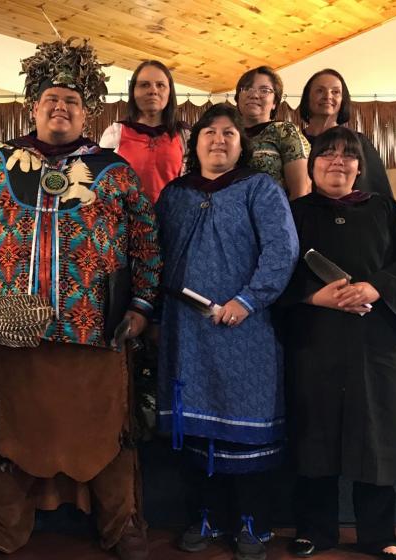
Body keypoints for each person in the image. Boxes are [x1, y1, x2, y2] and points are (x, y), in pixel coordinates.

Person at [0, 38, 161, 560]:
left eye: (71, 100)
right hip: (15, 325)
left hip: (96, 325)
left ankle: (121, 527)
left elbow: (146, 241)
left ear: (87, 112)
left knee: (108, 432)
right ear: (33, 107)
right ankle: (4, 531)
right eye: (49, 100)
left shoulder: (113, 170)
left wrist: (140, 306)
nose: (59, 108)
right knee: (13, 434)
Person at [155, 104, 299, 560]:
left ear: (243, 145)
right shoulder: (175, 194)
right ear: (195, 143)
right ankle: (205, 516)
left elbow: (282, 250)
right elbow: (154, 257)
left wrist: (247, 300)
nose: (219, 139)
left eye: (229, 133)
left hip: (246, 329)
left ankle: (252, 523)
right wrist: (155, 317)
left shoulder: (260, 189)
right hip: (185, 330)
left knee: (245, 430)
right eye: (210, 132)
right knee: (196, 429)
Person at [281, 127, 396, 560]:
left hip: (375, 342)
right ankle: (315, 530)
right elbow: (275, 267)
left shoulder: (383, 208)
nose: (338, 162)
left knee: (376, 436)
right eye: (328, 155)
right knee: (314, 435)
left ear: (360, 168)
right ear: (312, 164)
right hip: (314, 342)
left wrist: (375, 287)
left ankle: (380, 534)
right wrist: (313, 295)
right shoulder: (295, 213)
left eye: (348, 156)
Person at [99, 60, 189, 204]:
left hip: (172, 220)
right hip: (129, 222)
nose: (153, 90)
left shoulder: (183, 135)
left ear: (169, 92)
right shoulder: (115, 133)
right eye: (144, 85)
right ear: (133, 91)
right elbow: (103, 186)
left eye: (160, 85)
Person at [299, 68, 394, 197]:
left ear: (342, 100)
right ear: (307, 97)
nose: (328, 96)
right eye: (320, 91)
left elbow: (379, 195)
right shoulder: (293, 141)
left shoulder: (359, 142)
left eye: (335, 92)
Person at [235, 66, 311, 199]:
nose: (254, 95)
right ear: (238, 97)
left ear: (275, 102)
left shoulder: (285, 131)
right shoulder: (228, 133)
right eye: (247, 88)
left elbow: (300, 191)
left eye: (264, 90)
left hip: (275, 216)